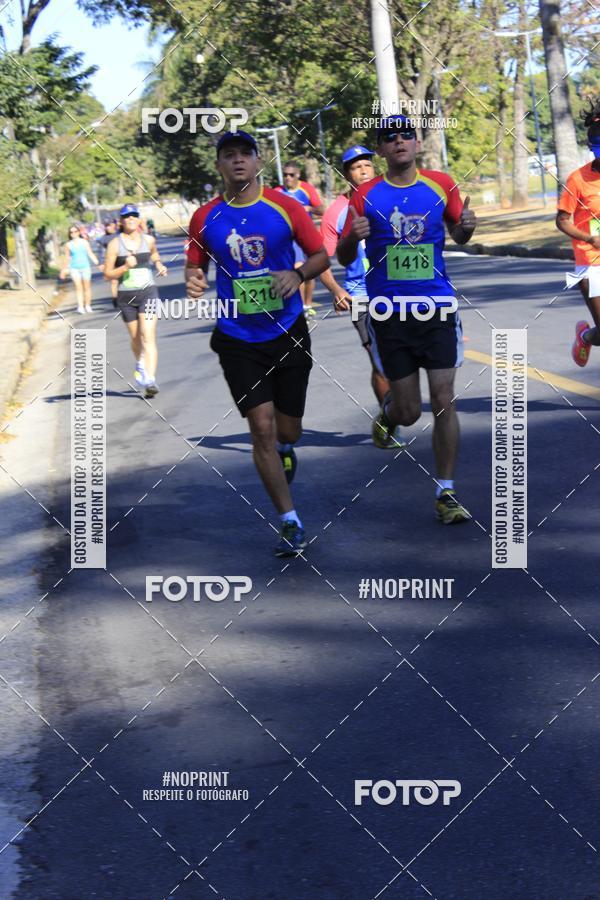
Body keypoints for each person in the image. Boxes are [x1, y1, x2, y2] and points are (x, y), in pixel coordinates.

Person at [185, 131, 329, 556]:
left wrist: (299, 274)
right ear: (219, 166)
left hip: (287, 331)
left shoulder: (286, 207)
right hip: (237, 338)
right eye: (228, 156)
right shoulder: (205, 217)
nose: (237, 162)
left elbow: (321, 255)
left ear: (257, 160)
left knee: (288, 429)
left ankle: (287, 448)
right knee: (260, 427)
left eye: (244, 153)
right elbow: (194, 268)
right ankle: (290, 521)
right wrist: (192, 281)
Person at [337, 115, 477, 524]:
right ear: (381, 150)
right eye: (389, 137)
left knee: (444, 400)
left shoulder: (441, 184)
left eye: (405, 135)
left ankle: (446, 492)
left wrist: (467, 226)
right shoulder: (365, 195)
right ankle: (389, 413)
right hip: (388, 313)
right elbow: (345, 256)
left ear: (417, 144)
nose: (399, 141)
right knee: (409, 412)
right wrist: (351, 238)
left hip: (437, 307)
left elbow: (460, 232)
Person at [320, 145, 403, 448]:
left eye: (367, 164)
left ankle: (393, 410)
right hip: (361, 296)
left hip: (397, 291)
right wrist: (337, 290)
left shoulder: (388, 197)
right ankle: (391, 419)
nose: (363, 170)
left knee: (402, 359)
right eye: (356, 167)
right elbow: (322, 259)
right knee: (379, 360)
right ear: (347, 175)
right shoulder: (336, 212)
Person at [103, 204, 167, 398]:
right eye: (126, 216)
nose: (130, 218)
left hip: (148, 292)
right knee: (136, 338)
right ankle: (140, 361)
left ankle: (150, 380)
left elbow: (154, 253)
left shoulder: (148, 240)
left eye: (134, 215)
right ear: (121, 221)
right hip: (126, 296)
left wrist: (158, 264)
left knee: (148, 336)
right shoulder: (115, 244)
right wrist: (123, 268)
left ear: (139, 219)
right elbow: (107, 274)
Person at [556, 97, 600, 368]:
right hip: (589, 263)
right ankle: (585, 335)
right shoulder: (578, 179)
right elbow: (562, 220)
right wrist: (589, 238)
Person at [274, 161, 324, 317]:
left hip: (307, 236)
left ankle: (307, 305)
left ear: (298, 175)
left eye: (291, 175)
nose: (287, 178)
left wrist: (309, 208)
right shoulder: (277, 192)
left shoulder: (306, 189)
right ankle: (300, 308)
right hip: (288, 238)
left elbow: (322, 210)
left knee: (310, 274)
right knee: (298, 268)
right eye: (285, 175)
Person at [60, 224, 100, 314]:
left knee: (87, 287)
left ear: (78, 232)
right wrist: (63, 270)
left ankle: (88, 305)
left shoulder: (84, 242)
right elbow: (67, 258)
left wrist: (98, 263)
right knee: (78, 288)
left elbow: (90, 254)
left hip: (85, 267)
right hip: (74, 268)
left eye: (75, 231)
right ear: (69, 234)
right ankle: (80, 306)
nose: (73, 233)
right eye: (71, 232)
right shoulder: (68, 245)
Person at [97, 220, 119, 306]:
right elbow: (100, 251)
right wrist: (101, 263)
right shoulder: (103, 238)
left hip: (122, 260)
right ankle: (115, 298)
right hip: (110, 262)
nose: (108, 227)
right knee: (114, 281)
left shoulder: (119, 235)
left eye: (109, 225)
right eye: (106, 225)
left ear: (114, 225)